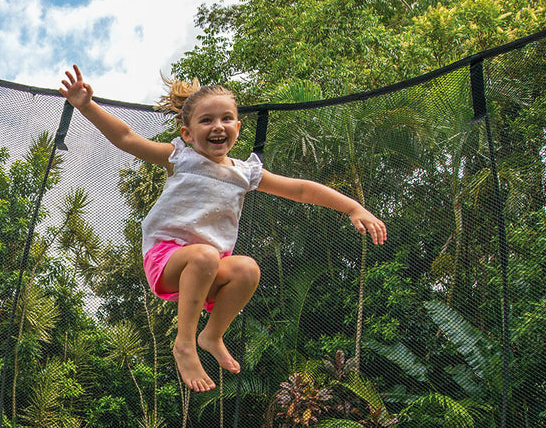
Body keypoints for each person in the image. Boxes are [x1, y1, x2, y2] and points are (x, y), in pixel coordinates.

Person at [59, 65, 387, 392]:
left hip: (208, 268)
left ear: (238, 127)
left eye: (226, 118)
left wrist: (352, 207)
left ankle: (211, 334)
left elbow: (300, 190)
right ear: (187, 133)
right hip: (166, 259)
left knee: (247, 268)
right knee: (204, 255)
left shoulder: (245, 173)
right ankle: (184, 343)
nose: (218, 126)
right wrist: (86, 106)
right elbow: (127, 138)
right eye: (206, 120)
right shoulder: (180, 158)